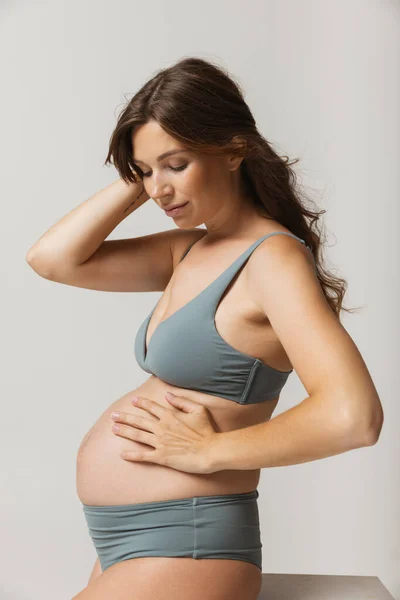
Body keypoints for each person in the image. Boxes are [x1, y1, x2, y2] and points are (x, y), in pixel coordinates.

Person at [26, 57, 383, 600]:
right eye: (146, 173)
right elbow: (53, 260)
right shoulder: (189, 249)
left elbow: (353, 416)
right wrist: (139, 173)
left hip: (188, 540)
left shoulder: (273, 261)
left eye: (177, 164)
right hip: (133, 539)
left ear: (234, 150)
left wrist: (207, 453)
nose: (158, 191)